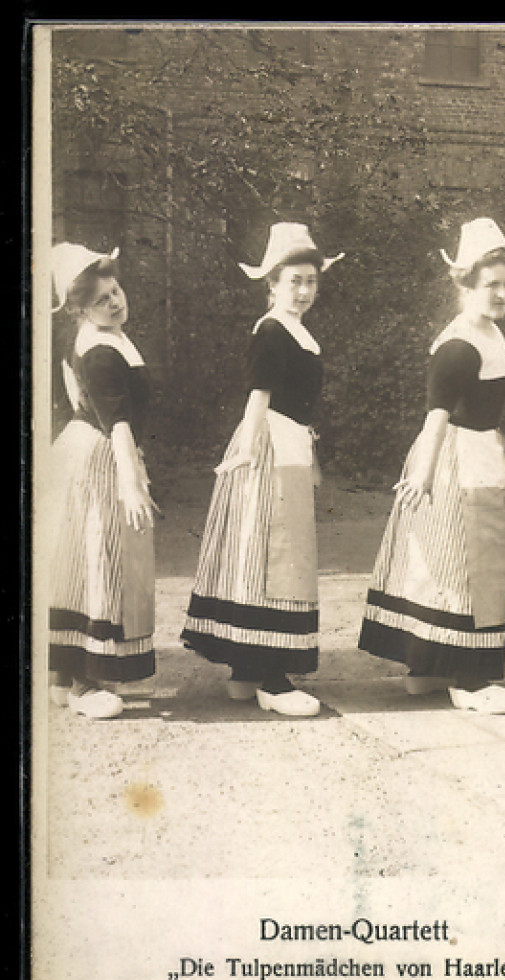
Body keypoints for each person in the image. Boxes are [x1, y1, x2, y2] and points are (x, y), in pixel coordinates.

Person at [358, 218, 505, 715]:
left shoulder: (490, 334)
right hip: (455, 462)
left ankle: (428, 669)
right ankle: (469, 681)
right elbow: (436, 418)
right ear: (466, 283)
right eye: (491, 284)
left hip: (481, 453)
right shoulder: (458, 345)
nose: (501, 293)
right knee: (461, 564)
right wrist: (424, 475)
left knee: (464, 561)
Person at [181, 222, 343, 717]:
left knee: (268, 555)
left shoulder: (298, 331)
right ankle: (271, 677)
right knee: (273, 557)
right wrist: (251, 449)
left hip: (290, 443)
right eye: (293, 280)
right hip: (269, 443)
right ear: (271, 283)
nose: (303, 290)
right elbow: (259, 396)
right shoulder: (272, 329)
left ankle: (247, 672)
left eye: (310, 281)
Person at [49, 243, 157, 719]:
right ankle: (81, 684)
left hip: (95, 450)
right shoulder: (97, 351)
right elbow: (118, 423)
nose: (115, 303)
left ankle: (64, 678)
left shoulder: (108, 338)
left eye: (116, 291)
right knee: (96, 559)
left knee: (84, 560)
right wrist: (132, 483)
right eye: (102, 300)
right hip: (99, 456)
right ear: (78, 309)